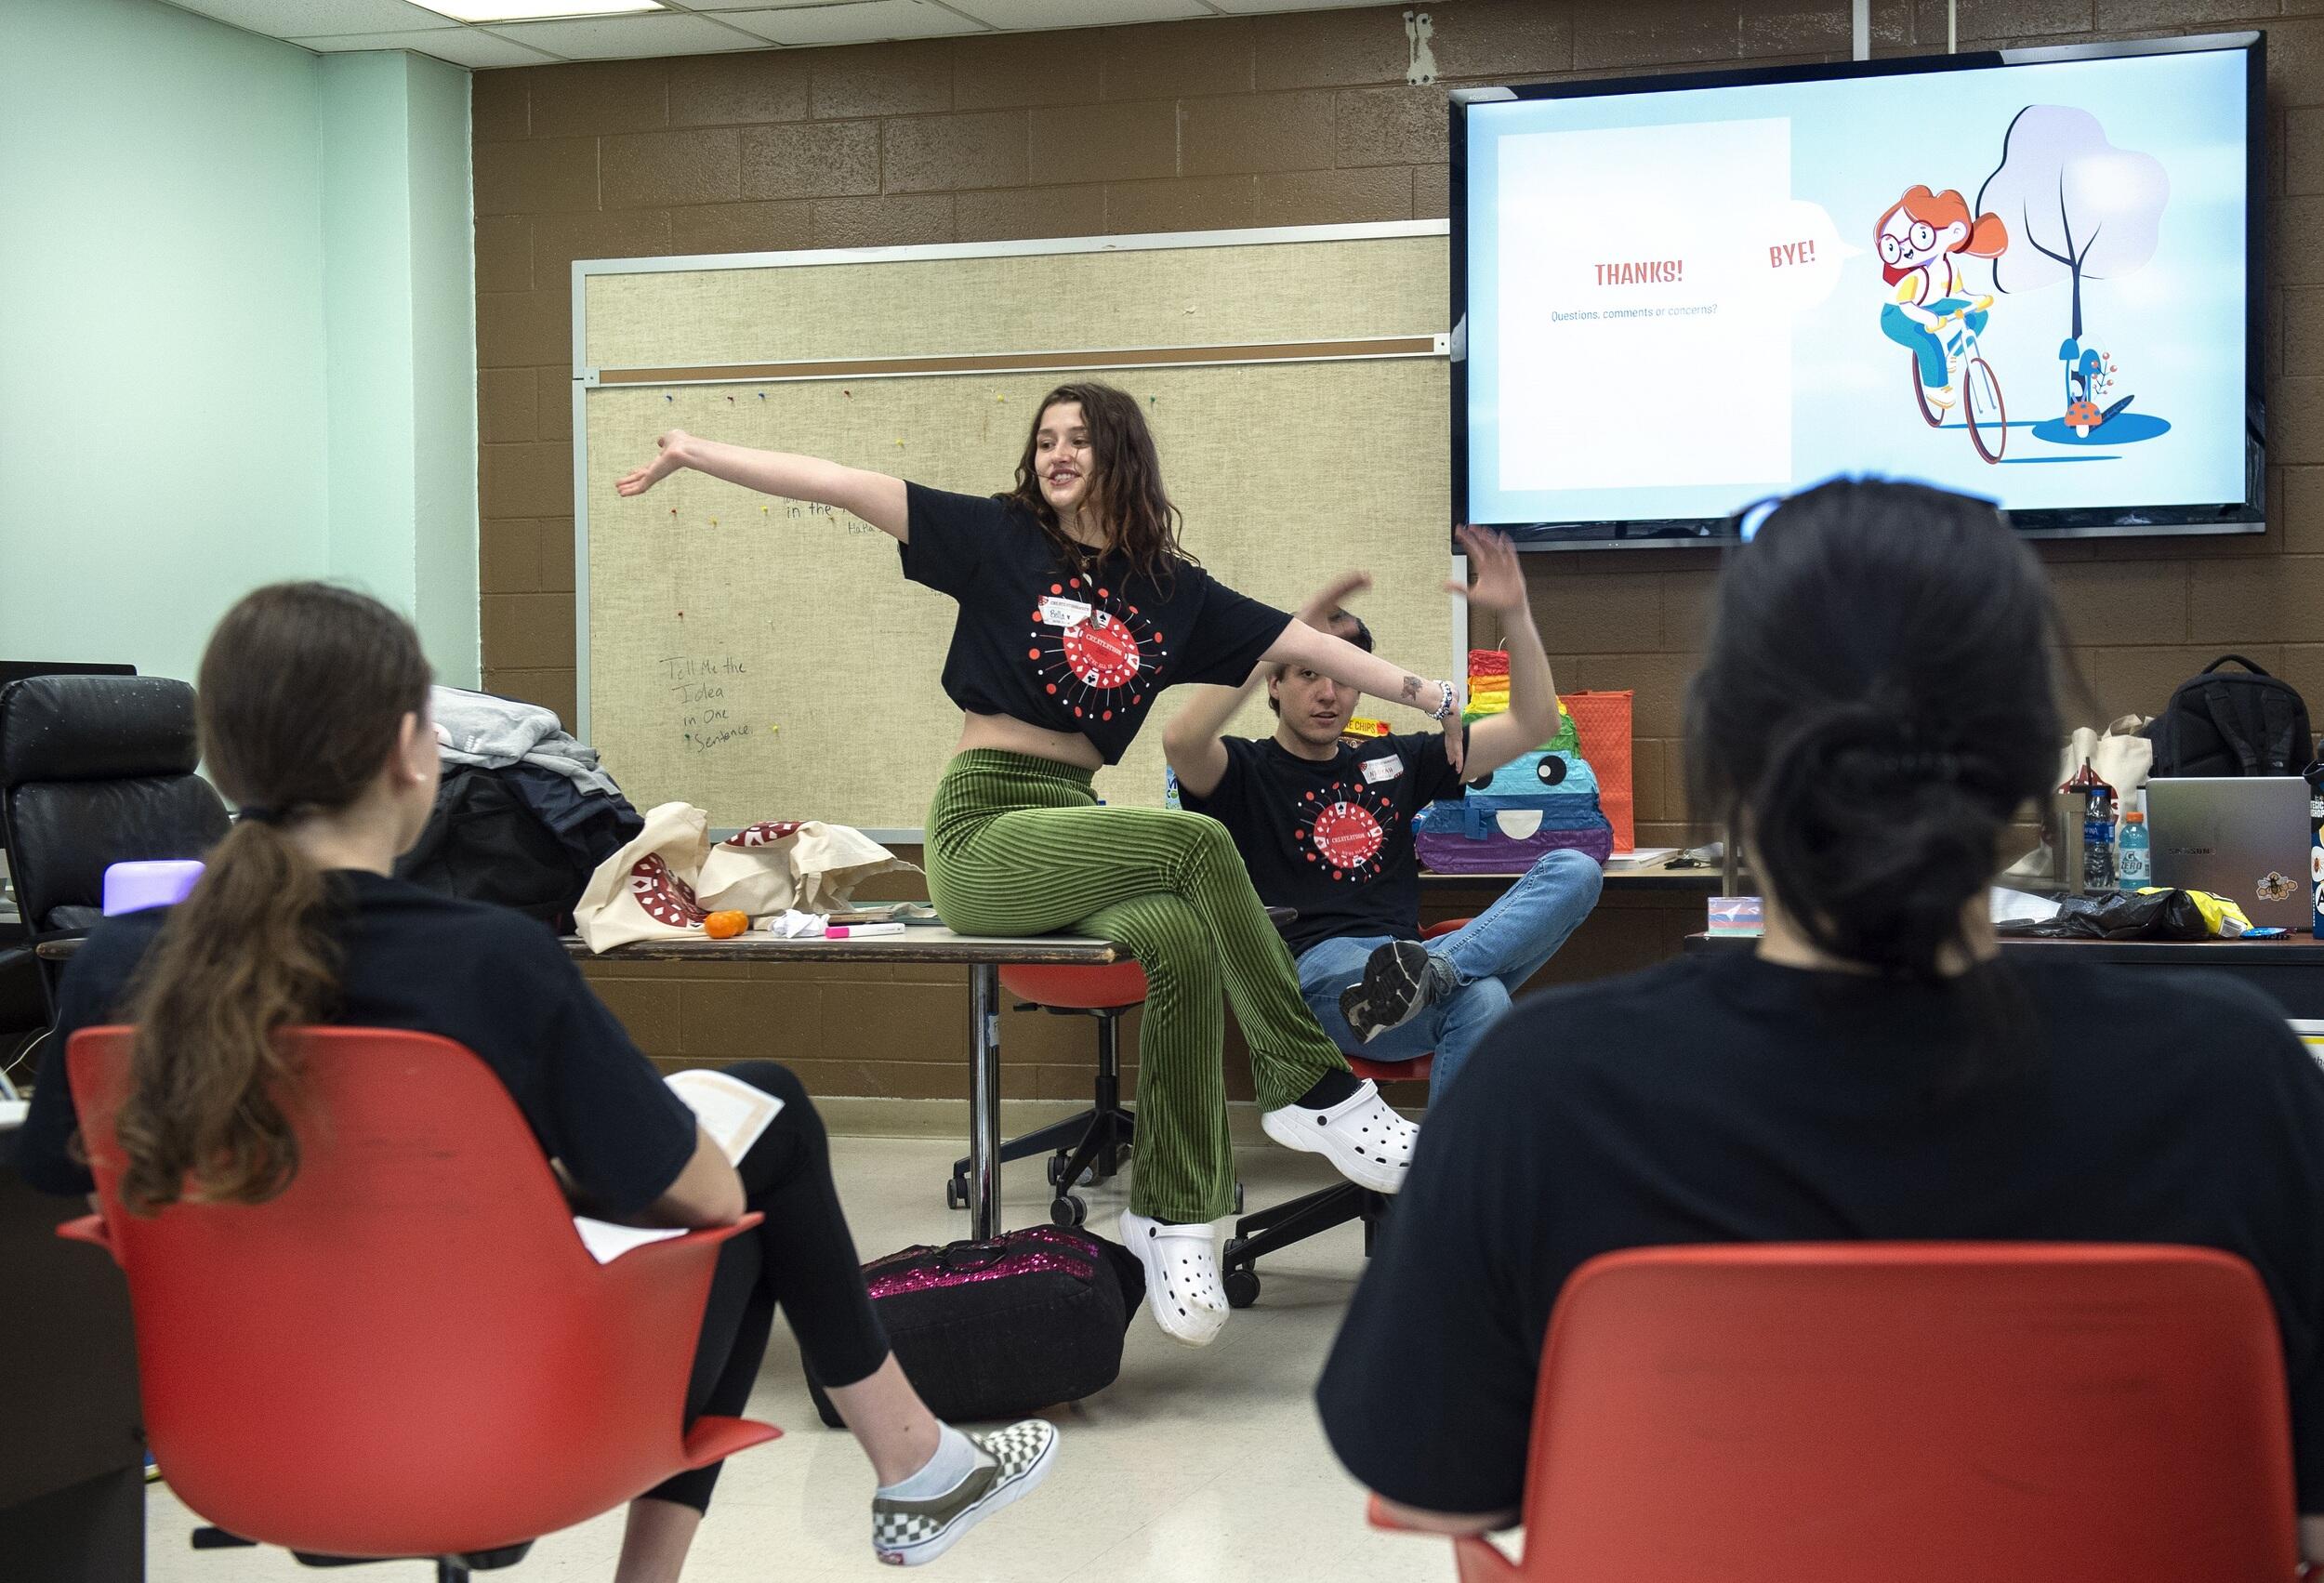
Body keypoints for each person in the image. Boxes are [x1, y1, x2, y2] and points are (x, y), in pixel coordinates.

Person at [1315, 480, 2324, 1555]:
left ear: (1728, 756)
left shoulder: (1541, 1087)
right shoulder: (2234, 1077)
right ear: (2032, 756)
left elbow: (1438, 1495)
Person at [18, 584, 1056, 1579]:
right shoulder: (488, 957)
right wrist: (545, 1183)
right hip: (502, 1420)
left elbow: (67, 1188)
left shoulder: (117, 966)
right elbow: (701, 1197)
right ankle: (906, 1466)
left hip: (237, 1437)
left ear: (227, 762)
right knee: (761, 1140)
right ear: (410, 753)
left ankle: (920, 1463)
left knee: (747, 1117)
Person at [615, 382, 1469, 1348]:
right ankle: (1310, 1086)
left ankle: (1173, 1215)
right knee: (1196, 838)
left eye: (1079, 439)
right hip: (983, 827)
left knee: (1180, 936)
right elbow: (842, 484)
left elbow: (1302, 643)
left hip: (1072, 821)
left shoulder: (1168, 590)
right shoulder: (997, 537)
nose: (1057, 453)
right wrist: (696, 450)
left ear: (1121, 456)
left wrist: (1431, 691)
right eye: (1045, 439)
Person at [1162, 527, 1602, 1099]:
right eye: (1308, 672)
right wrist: (1280, 636)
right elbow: (1180, 740)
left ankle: (1434, 975)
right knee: (1483, 993)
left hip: (1405, 966)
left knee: (1576, 871)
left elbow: (1534, 724)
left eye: (1346, 677)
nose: (1328, 693)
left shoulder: (1400, 760)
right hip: (1322, 981)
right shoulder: (1242, 769)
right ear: (1274, 683)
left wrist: (1516, 613)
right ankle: (1432, 981)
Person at [1875, 183, 2009, 409]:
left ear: (1955, 231)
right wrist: (1931, 320)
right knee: (1927, 341)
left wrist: (1976, 299)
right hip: (1897, 314)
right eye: (1893, 245)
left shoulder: (1949, 267)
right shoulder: (1915, 277)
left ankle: (1950, 354)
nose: (1906, 249)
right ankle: (1936, 386)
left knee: (1978, 316)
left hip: (1931, 303)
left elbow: (1959, 292)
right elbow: (1907, 306)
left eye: (1920, 235)